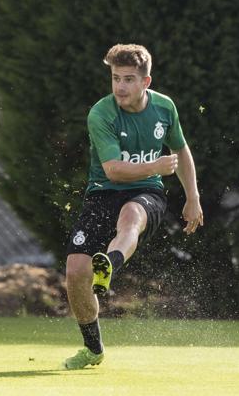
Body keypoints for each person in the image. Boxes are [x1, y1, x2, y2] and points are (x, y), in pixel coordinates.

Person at [64, 44, 203, 370]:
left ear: (146, 82)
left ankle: (109, 263)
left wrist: (192, 198)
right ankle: (93, 348)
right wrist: (157, 164)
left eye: (128, 79)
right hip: (102, 192)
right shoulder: (102, 113)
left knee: (132, 217)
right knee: (74, 273)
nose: (120, 87)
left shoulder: (165, 108)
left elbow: (181, 151)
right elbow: (113, 169)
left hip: (146, 192)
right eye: (115, 78)